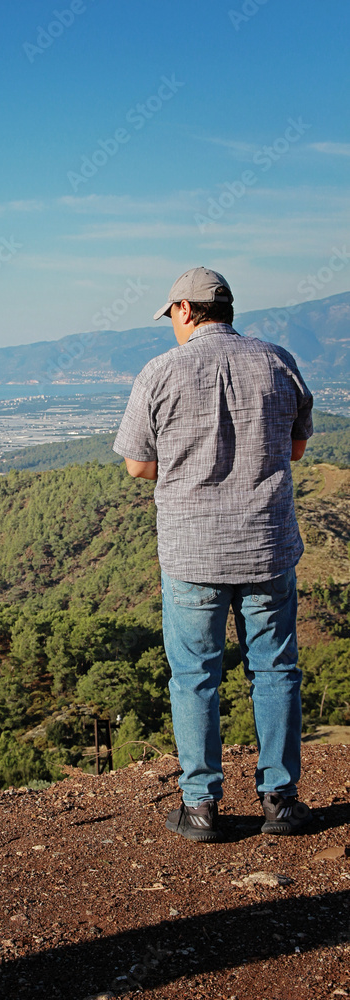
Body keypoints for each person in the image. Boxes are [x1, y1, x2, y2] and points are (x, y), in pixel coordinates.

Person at [113, 266, 314, 842]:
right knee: (275, 670)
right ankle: (280, 801)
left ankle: (200, 806)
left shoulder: (160, 371)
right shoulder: (278, 361)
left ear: (183, 310)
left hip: (192, 551)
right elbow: (296, 449)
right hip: (266, 545)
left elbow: (137, 465)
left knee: (195, 676)